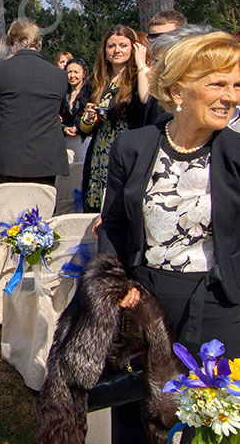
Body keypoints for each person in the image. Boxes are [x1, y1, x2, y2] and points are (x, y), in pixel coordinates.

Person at [99, 31, 240, 442]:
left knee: (211, 422)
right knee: (139, 419)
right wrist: (117, 283)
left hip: (218, 305)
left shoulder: (236, 154)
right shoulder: (133, 146)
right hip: (145, 303)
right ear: (178, 89)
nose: (230, 97)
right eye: (217, 84)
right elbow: (113, 224)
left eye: (236, 86)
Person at [0, 18, 69, 188]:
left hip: (6, 156)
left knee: (2, 209)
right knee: (40, 210)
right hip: (46, 158)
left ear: (13, 41)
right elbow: (59, 109)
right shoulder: (59, 75)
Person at [79, 25, 150, 213]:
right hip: (99, 155)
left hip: (129, 152)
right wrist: (88, 117)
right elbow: (84, 129)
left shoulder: (138, 78)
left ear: (133, 47)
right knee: (96, 210)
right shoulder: (96, 82)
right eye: (111, 46)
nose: (117, 50)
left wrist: (141, 63)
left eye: (123, 45)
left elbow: (145, 100)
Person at [61, 58, 92, 163]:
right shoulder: (62, 93)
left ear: (83, 74)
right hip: (65, 140)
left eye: (76, 72)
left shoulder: (91, 93)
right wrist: (64, 128)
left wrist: (78, 127)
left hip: (84, 140)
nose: (72, 75)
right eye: (69, 72)